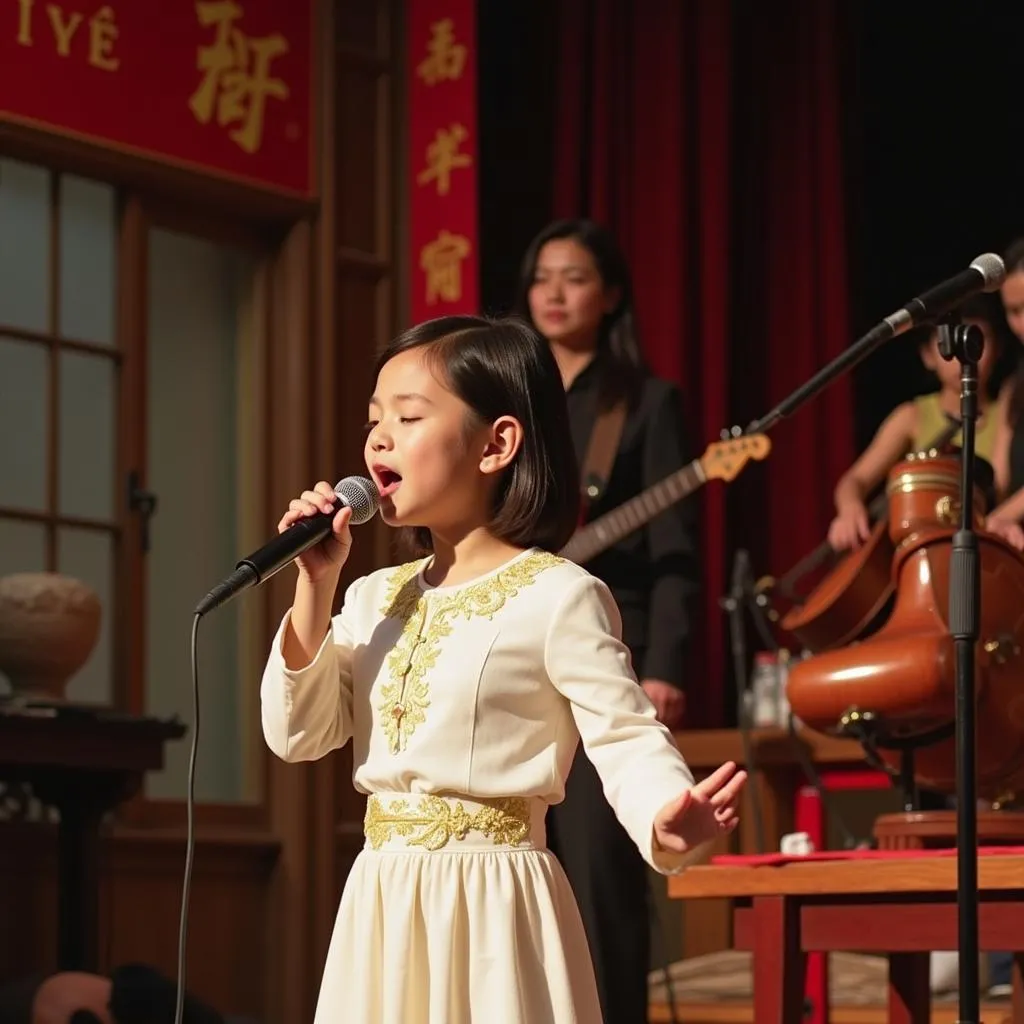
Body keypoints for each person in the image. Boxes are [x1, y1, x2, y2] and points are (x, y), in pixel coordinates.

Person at [259, 314, 745, 1024]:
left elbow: (625, 734)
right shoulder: (370, 597)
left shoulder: (557, 593)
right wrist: (313, 583)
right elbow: (297, 734)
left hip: (494, 905)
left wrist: (665, 813)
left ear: (498, 444)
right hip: (383, 898)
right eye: (374, 421)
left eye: (409, 416)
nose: (379, 439)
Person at [516, 218, 700, 1023]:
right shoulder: (506, 397)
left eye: (576, 277)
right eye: (542, 276)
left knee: (598, 870)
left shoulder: (644, 403)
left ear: (612, 294)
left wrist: (664, 664)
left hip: (603, 642)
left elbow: (675, 557)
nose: (554, 292)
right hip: (508, 629)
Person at [827, 293, 1011, 552]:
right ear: (927, 356)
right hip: (917, 550)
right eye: (947, 343)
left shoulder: (1008, 412)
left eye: (976, 340)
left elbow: (1001, 493)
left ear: (998, 349)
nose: (964, 357)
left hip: (983, 550)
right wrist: (849, 509)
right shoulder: (912, 416)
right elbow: (855, 480)